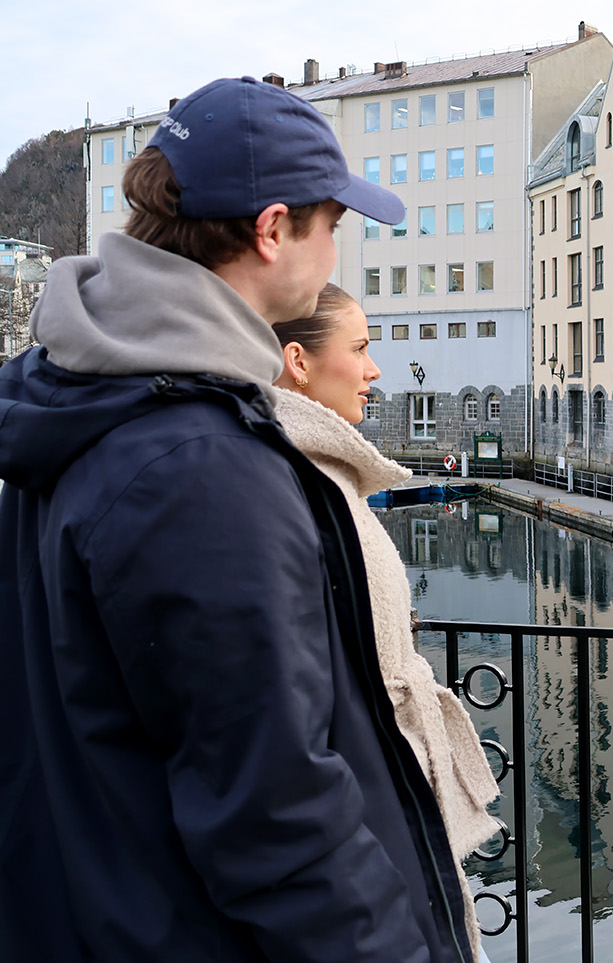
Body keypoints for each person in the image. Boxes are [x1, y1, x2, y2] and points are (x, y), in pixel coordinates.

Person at [0, 78, 475, 962]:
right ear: (271, 230)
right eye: (331, 222)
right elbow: (280, 817)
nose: (337, 246)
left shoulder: (82, 396)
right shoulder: (196, 463)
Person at [272, 284, 500, 962]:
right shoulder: (301, 478)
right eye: (362, 348)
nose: (375, 370)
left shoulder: (324, 471)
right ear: (299, 361)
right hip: (371, 791)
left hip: (384, 780)